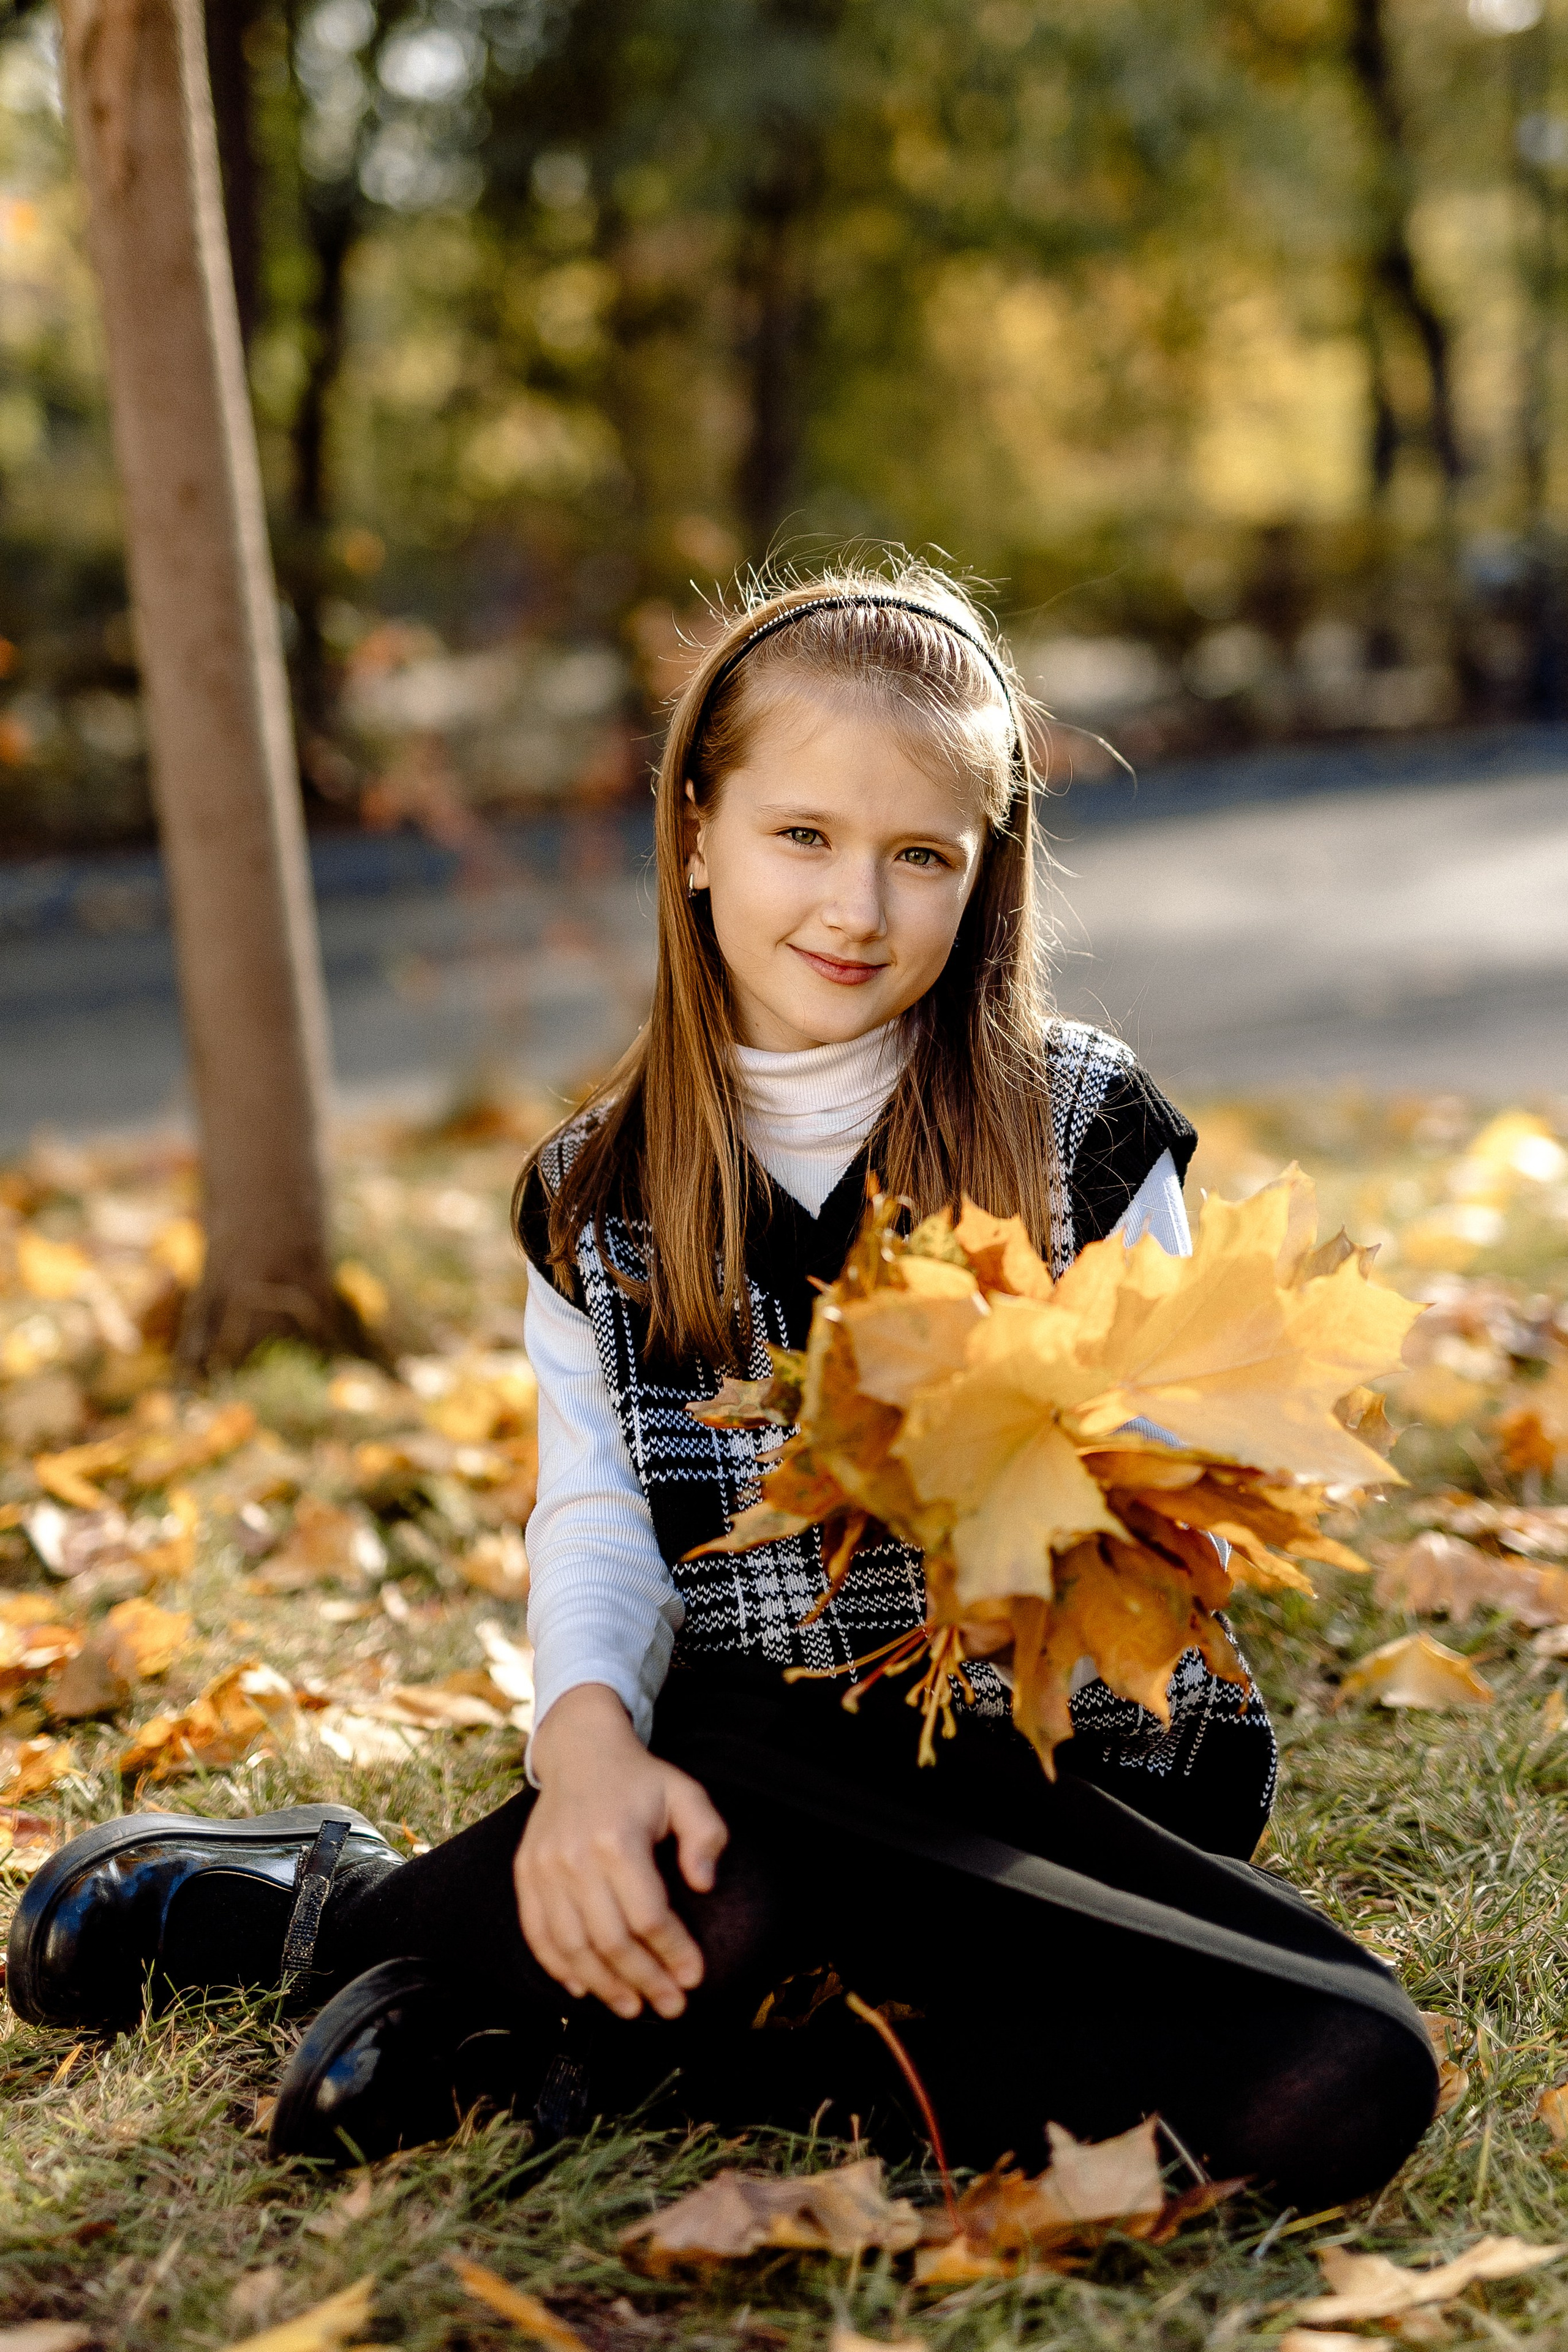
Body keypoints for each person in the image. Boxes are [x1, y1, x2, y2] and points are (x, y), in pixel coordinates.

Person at [9, 565, 1437, 2207]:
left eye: (921, 856)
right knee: (728, 1783)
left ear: (986, 874)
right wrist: (585, 1756)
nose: (856, 909)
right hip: (751, 1773)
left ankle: (431, 1956)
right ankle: (518, 1954)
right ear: (696, 833)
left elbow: (1185, 1475)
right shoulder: (598, 1197)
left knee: (1348, 2075)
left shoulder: (1078, 1133)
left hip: (1067, 1793)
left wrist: (1036, 1463)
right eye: (802, 836)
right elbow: (599, 1517)